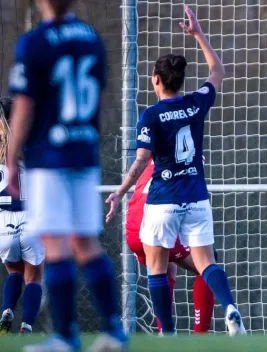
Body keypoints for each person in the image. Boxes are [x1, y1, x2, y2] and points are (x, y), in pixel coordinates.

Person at [106, 6, 245, 336]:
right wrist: (198, 34)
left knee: (157, 268)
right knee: (206, 263)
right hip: (197, 197)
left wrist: (120, 191)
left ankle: (167, 336)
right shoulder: (197, 103)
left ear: (155, 79)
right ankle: (230, 309)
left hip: (163, 201)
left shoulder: (151, 115)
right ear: (181, 80)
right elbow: (217, 70)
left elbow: (141, 161)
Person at [7, 0, 127, 350]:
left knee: (56, 244)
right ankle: (114, 331)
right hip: (84, 152)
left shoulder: (35, 42)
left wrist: (13, 159)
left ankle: (66, 336)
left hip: (49, 155)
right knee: (85, 243)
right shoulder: (91, 38)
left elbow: (25, 106)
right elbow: (98, 96)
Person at [126, 159, 215, 333]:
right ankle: (201, 335)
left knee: (165, 267)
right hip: (155, 226)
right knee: (206, 266)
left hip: (133, 231)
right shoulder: (186, 157)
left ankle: (164, 332)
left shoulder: (147, 159)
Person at [0, 97, 44, 335]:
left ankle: (7, 310)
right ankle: (26, 324)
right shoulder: (28, 142)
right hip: (30, 217)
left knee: (14, 272)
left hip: (2, 221)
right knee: (35, 277)